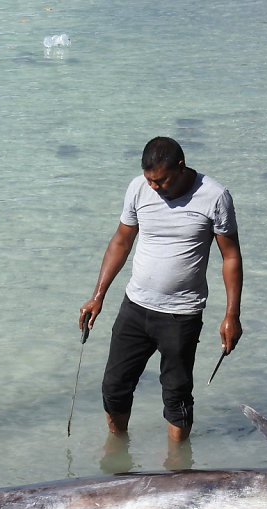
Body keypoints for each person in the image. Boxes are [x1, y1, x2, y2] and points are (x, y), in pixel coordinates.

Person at [79, 136, 243, 442]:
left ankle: (177, 467)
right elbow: (121, 241)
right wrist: (97, 296)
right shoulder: (138, 188)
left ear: (180, 167)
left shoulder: (215, 196)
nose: (155, 187)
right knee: (114, 387)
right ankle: (118, 451)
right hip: (135, 307)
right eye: (150, 180)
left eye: (162, 180)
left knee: (177, 396)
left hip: (181, 315)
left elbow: (231, 257)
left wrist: (231, 315)